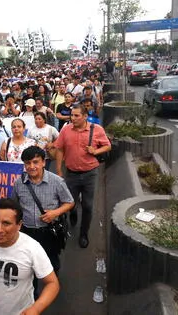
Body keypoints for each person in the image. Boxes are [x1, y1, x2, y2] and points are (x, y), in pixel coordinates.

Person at [0, 198, 60, 314]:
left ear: (19, 225)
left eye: (6, 223)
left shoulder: (32, 248)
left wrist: (36, 309)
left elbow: (52, 283)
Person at [12, 146, 74, 278]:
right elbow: (15, 205)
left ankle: (53, 285)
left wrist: (55, 213)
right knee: (28, 265)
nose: (32, 166)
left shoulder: (57, 181)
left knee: (51, 262)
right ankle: (33, 295)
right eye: (28, 163)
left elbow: (70, 202)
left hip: (49, 232)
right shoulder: (19, 183)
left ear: (43, 162)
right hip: (27, 232)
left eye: (35, 162)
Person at [54, 105, 111, 248]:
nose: (72, 118)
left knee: (87, 206)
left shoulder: (97, 130)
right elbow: (59, 149)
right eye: (72, 115)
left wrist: (95, 151)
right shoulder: (66, 130)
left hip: (90, 174)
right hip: (71, 174)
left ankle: (84, 233)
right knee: (69, 204)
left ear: (85, 116)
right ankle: (73, 213)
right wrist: (59, 170)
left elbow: (107, 146)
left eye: (76, 115)